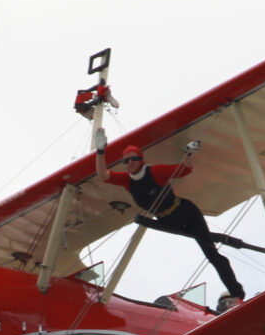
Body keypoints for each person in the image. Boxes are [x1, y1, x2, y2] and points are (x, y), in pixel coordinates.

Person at [95, 129, 245, 310]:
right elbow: (103, 175)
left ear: (140, 159)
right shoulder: (127, 180)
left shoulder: (154, 171)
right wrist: (100, 151)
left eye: (134, 158)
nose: (130, 162)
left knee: (211, 254)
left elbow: (185, 169)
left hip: (187, 213)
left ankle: (237, 295)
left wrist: (188, 153)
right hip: (167, 221)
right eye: (126, 160)